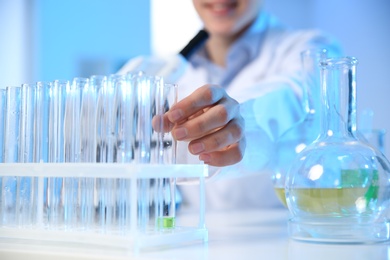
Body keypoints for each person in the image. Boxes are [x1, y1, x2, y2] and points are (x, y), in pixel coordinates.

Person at [117, 0, 342, 212]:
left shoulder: (312, 49)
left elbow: (294, 98)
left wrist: (238, 120)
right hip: (197, 242)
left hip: (283, 237)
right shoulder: (168, 71)